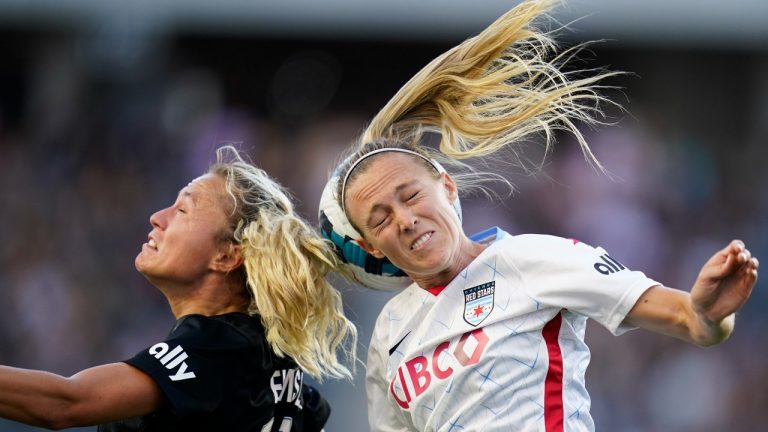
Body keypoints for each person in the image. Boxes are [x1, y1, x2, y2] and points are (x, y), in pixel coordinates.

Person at [317, 1, 759, 430]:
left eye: (410, 195)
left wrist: (707, 314)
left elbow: (690, 321)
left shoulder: (533, 259)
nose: (405, 219)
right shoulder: (388, 334)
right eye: (379, 219)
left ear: (446, 186)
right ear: (372, 247)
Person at [0, 145, 357, 431]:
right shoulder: (268, 359)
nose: (158, 216)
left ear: (227, 255)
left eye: (183, 210)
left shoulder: (218, 348)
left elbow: (65, 405)